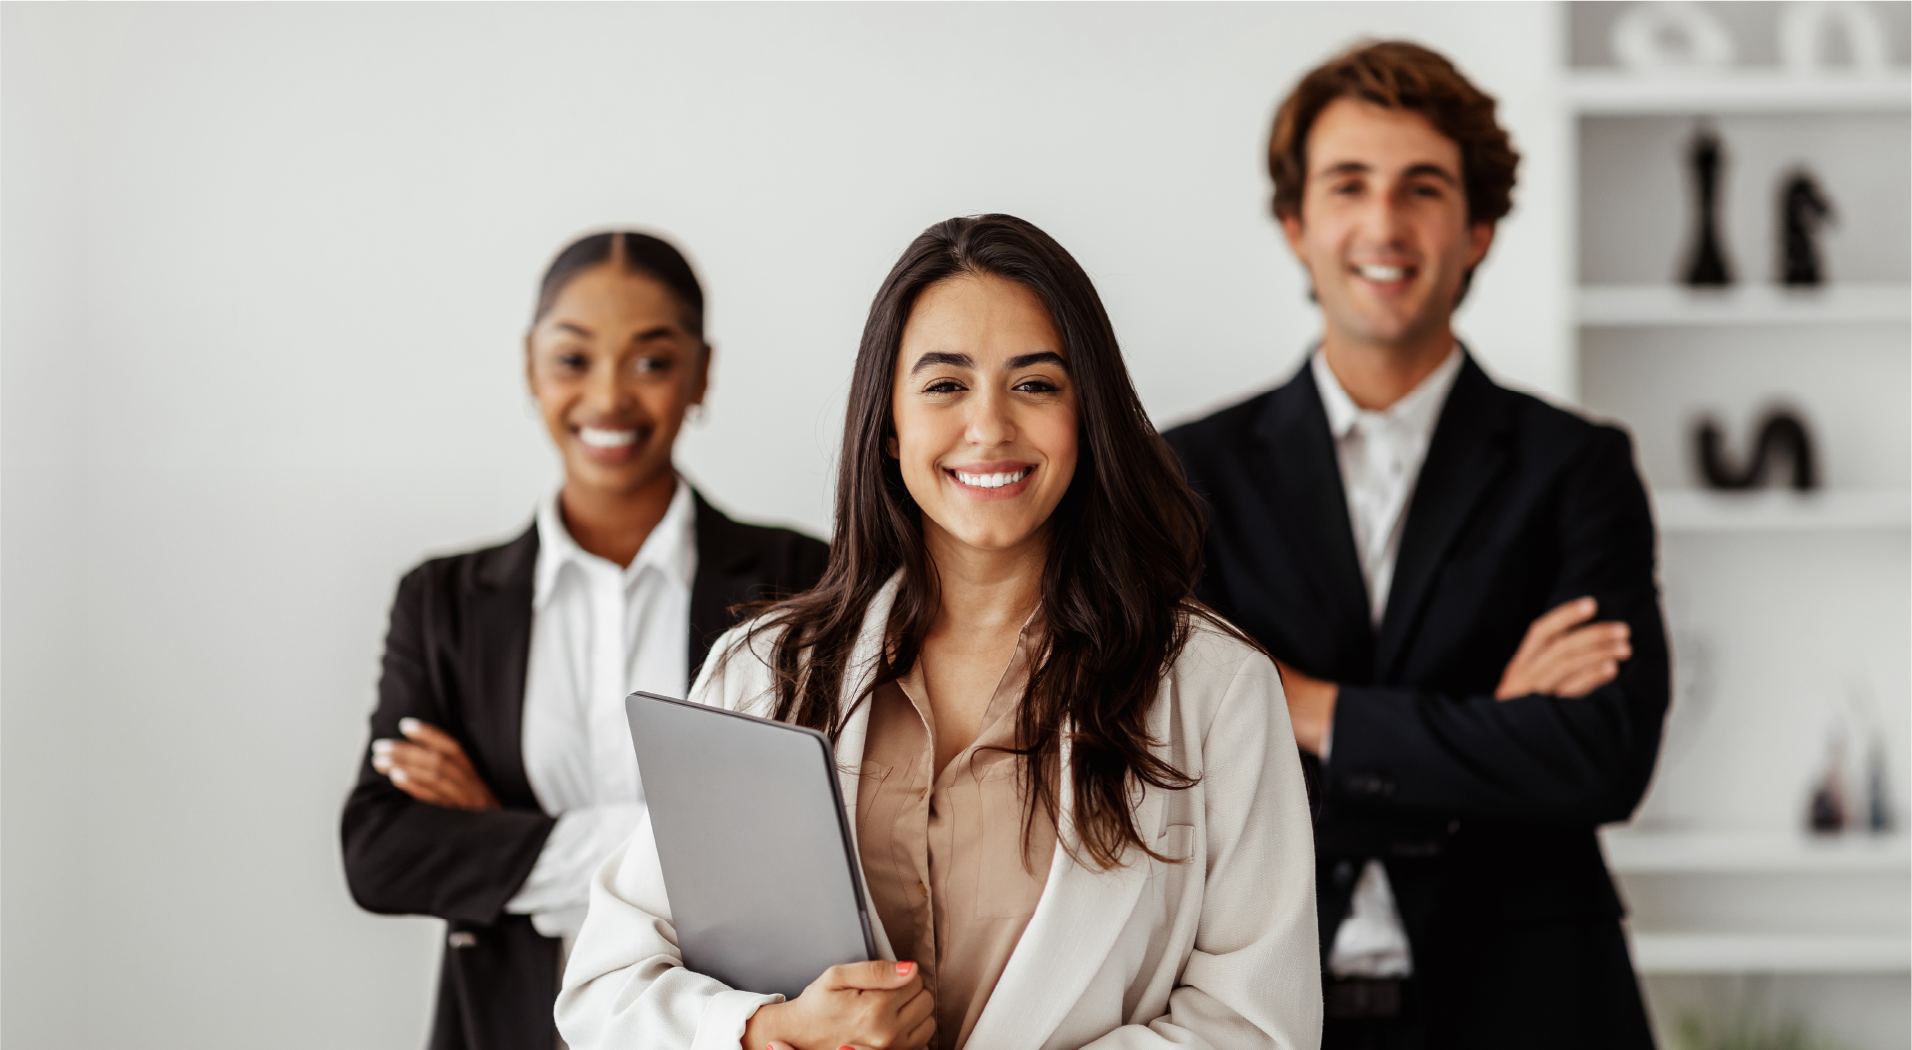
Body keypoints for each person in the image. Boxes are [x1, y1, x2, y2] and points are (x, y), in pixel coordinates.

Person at [554, 214, 1322, 1050]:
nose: (989, 427)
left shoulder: (1215, 689)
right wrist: (768, 1031)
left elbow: (1259, 1026)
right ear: (889, 426)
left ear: (1086, 417)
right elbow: (607, 990)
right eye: (946, 385)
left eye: (1034, 384)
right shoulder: (763, 671)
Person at [1164, 42, 1668, 1050]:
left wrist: (1306, 710)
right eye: (1349, 185)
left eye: (1422, 189)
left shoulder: (1577, 466)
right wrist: (1488, 728)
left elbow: (1598, 760)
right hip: (1257, 1006)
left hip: (1532, 1004)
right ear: (1296, 224)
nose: (1384, 225)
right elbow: (1173, 763)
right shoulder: (1181, 477)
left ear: (1477, 228)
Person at [341, 231, 830, 1050]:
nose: (609, 397)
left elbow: (818, 851)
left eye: (650, 361)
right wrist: (685, 848)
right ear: (530, 367)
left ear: (702, 374)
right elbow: (381, 852)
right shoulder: (445, 602)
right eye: (573, 360)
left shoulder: (803, 579)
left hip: (728, 1031)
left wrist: (501, 830)